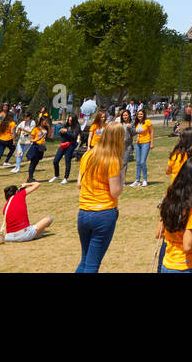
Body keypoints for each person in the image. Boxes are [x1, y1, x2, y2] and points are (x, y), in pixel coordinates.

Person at [76, 121, 125, 272]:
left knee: (85, 260)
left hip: (84, 212)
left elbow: (79, 184)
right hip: (103, 213)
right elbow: (115, 191)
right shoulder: (112, 160)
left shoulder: (87, 155)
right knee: (92, 264)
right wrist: (122, 176)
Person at [157, 156, 192, 273]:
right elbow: (187, 246)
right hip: (183, 266)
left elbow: (158, 233)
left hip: (167, 263)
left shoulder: (169, 198)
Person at [129, 110, 153, 187]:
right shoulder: (136, 123)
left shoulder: (147, 121)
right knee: (138, 162)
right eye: (138, 114)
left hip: (146, 143)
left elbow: (152, 132)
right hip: (137, 143)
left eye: (141, 114)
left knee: (143, 162)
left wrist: (152, 143)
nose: (139, 115)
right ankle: (137, 180)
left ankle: (145, 180)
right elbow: (133, 132)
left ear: (144, 115)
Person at [24, 116, 47, 183]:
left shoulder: (45, 129)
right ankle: (30, 178)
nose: (46, 122)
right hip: (36, 146)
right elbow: (31, 140)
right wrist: (36, 139)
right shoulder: (36, 129)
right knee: (33, 162)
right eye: (45, 121)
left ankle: (31, 177)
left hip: (41, 147)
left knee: (36, 162)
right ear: (41, 121)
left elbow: (48, 137)